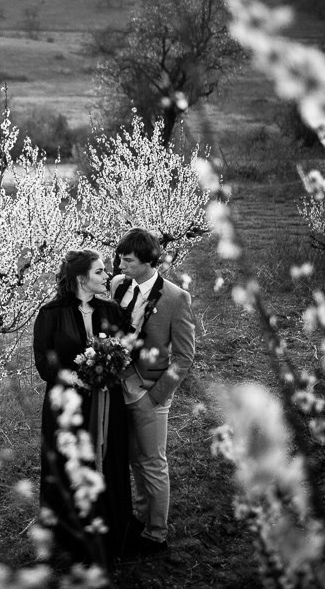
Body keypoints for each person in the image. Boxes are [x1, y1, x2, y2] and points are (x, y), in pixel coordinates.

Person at [32, 249, 134, 567]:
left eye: (105, 270)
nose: (107, 276)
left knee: (108, 461)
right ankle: (70, 538)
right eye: (99, 271)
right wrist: (77, 378)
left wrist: (112, 364)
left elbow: (128, 346)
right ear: (81, 278)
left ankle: (110, 534)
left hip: (107, 404)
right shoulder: (51, 313)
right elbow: (43, 363)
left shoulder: (111, 311)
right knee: (69, 464)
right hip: (67, 404)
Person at [110, 228, 196, 556]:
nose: (120, 265)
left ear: (149, 261)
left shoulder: (176, 298)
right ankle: (141, 520)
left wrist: (156, 397)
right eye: (120, 259)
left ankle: (157, 533)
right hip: (119, 388)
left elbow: (185, 357)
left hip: (150, 392)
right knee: (134, 459)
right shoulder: (118, 286)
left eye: (128, 260)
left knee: (153, 462)